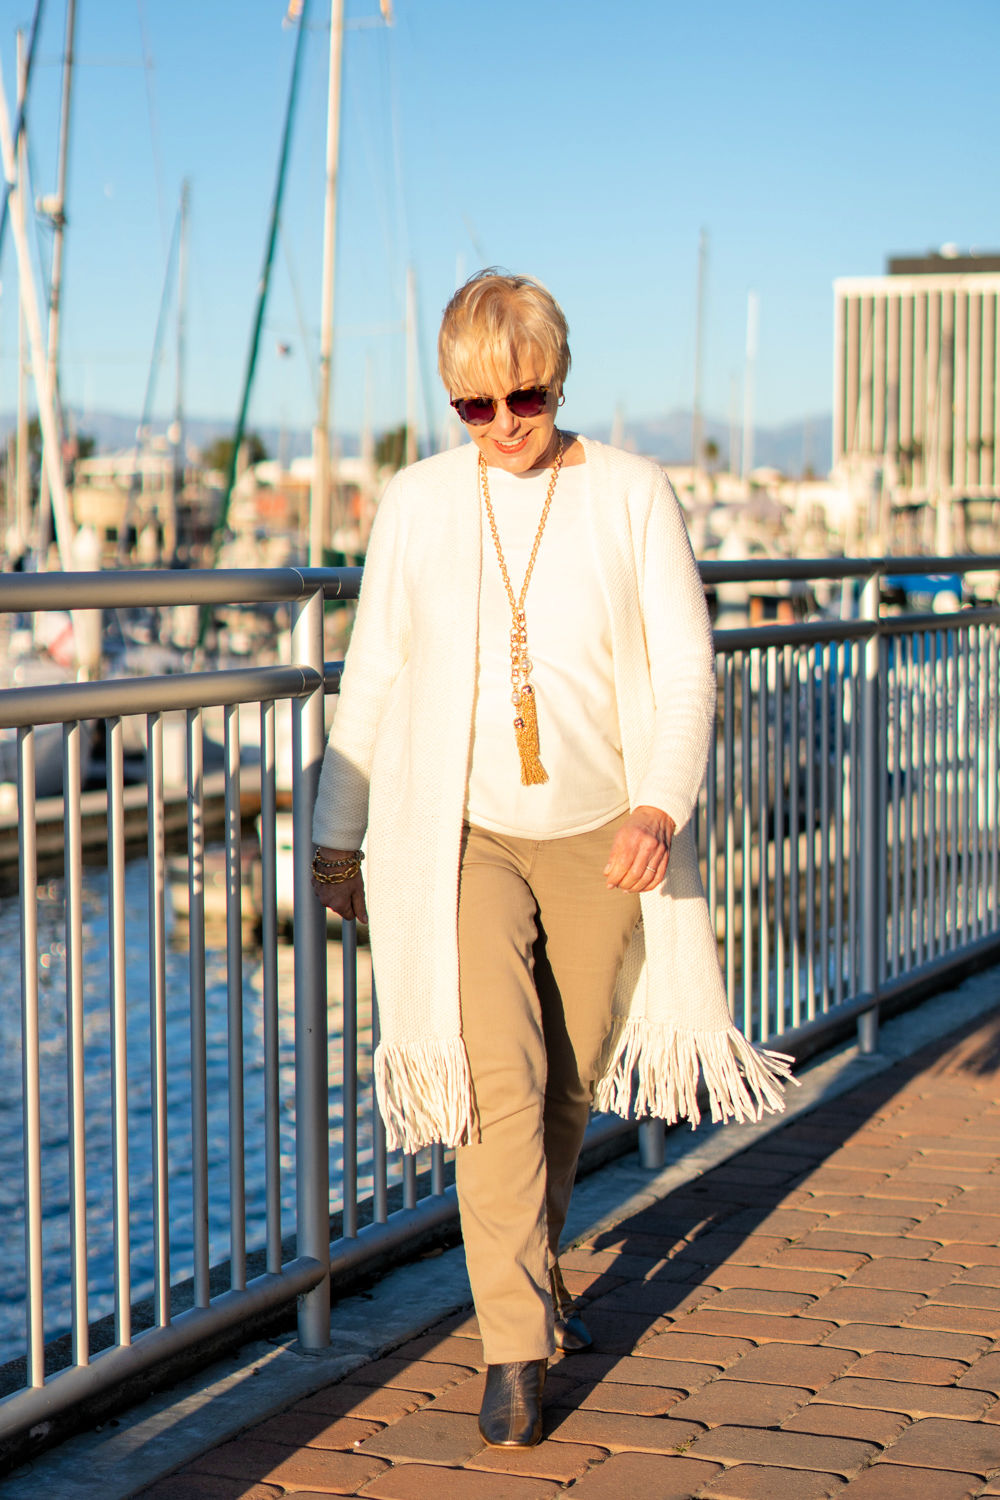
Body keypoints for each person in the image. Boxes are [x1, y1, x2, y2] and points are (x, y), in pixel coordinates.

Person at [311, 269, 792, 1448]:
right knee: (498, 1086)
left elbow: (686, 671)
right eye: (472, 407)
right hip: (461, 838)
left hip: (604, 840)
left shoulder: (631, 493)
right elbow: (371, 676)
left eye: (519, 397)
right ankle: (512, 1348)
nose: (501, 427)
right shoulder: (419, 504)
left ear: (557, 376)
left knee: (570, 1080)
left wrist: (658, 809)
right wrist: (335, 836)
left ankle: (535, 1270)